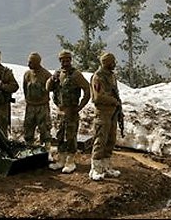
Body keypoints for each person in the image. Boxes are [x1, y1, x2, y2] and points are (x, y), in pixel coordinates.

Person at [46, 49, 91, 174]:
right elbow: (48, 88)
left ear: (71, 60)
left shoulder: (76, 75)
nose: (65, 62)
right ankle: (61, 159)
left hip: (71, 111)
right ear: (59, 61)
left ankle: (70, 161)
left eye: (67, 60)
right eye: (63, 60)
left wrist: (80, 106)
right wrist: (52, 79)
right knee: (60, 136)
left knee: (70, 137)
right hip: (60, 111)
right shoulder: (58, 74)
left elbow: (87, 90)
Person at [88, 52, 122, 180]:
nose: (114, 64)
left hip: (112, 113)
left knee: (110, 140)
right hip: (102, 113)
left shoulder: (111, 76)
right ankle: (95, 168)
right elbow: (98, 97)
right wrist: (113, 101)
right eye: (112, 62)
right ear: (107, 63)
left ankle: (106, 166)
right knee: (100, 140)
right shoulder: (98, 77)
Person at [22, 52, 52, 156]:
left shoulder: (46, 75)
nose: (28, 64)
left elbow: (52, 88)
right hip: (30, 106)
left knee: (44, 128)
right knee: (28, 127)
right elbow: (25, 88)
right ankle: (28, 149)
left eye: (30, 62)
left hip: (42, 106)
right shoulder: (27, 74)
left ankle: (46, 150)